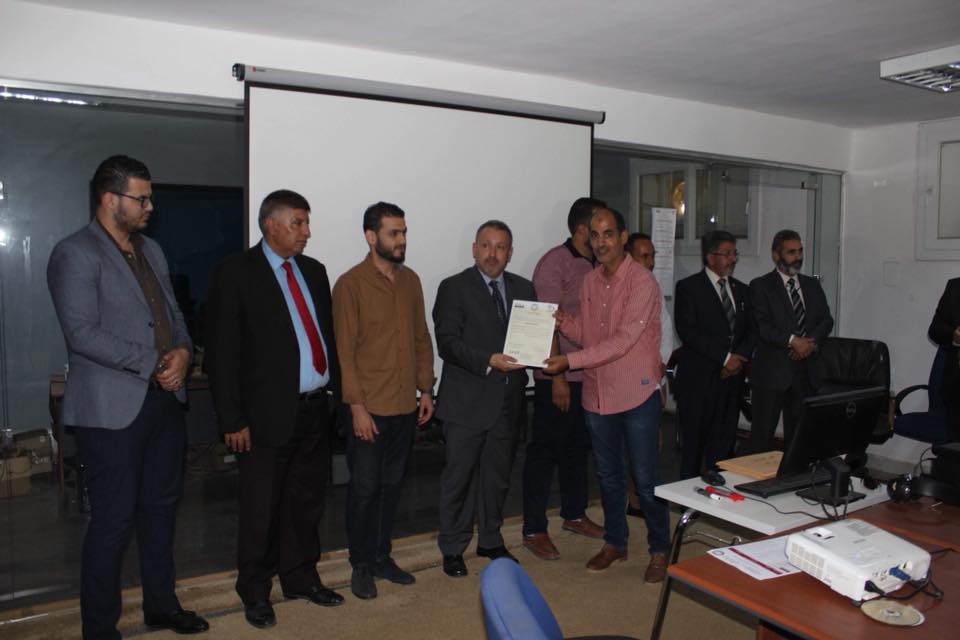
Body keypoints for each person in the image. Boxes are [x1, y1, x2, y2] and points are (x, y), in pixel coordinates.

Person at [47, 155, 209, 639]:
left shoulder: (151, 250)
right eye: (141, 198)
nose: (150, 206)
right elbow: (81, 333)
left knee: (161, 511)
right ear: (109, 199)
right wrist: (154, 362)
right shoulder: (75, 253)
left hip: (163, 403)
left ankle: (162, 606)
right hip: (111, 410)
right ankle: (99, 629)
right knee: (113, 522)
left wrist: (184, 351)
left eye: (149, 197)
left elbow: (175, 316)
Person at [206, 189, 343, 629]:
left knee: (306, 503)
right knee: (261, 510)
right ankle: (254, 590)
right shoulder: (236, 272)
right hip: (263, 416)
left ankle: (300, 577)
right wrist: (231, 418)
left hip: (313, 409)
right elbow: (222, 353)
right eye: (297, 223)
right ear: (270, 225)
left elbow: (327, 338)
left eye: (306, 223)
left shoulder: (314, 271)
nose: (306, 232)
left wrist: (337, 396)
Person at [544, 208, 671, 583]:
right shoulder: (589, 281)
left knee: (645, 479)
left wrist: (569, 361)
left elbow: (622, 341)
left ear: (623, 237)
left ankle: (660, 548)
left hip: (636, 393)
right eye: (595, 235)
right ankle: (616, 542)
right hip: (598, 394)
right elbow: (590, 335)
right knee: (608, 476)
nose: (600, 242)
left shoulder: (642, 282)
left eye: (608, 234)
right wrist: (562, 322)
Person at [332, 202, 435, 599]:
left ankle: (381, 556)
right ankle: (360, 564)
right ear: (371, 236)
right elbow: (345, 353)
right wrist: (356, 407)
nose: (401, 240)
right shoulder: (350, 285)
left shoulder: (411, 281)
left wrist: (426, 389)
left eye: (404, 232)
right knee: (365, 488)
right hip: (368, 408)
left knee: (392, 486)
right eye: (394, 233)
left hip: (404, 405)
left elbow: (421, 338)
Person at [433, 220, 536, 577]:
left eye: (501, 247)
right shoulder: (453, 287)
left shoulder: (525, 288)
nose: (493, 254)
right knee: (458, 480)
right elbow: (447, 342)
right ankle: (452, 546)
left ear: (510, 252)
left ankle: (490, 539)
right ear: (475, 249)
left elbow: (532, 339)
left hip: (508, 402)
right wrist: (488, 360)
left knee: (497, 478)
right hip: (466, 402)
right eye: (486, 246)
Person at [521, 197, 605, 561]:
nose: (603, 237)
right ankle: (533, 528)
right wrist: (556, 377)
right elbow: (546, 322)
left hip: (591, 374)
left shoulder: (599, 264)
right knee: (545, 451)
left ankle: (574, 514)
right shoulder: (554, 262)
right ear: (582, 229)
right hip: (558, 376)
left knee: (577, 449)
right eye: (598, 229)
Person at [673, 230, 755, 479]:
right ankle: (686, 494)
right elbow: (688, 331)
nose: (733, 259)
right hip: (699, 381)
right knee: (694, 448)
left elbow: (752, 329)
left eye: (734, 253)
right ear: (710, 257)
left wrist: (738, 359)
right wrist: (724, 358)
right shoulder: (689, 288)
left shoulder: (742, 290)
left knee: (723, 447)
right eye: (727, 254)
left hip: (731, 383)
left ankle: (720, 492)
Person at [749, 229, 833, 453]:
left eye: (800, 251)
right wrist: (792, 341)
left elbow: (826, 319)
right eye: (791, 252)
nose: (798, 257)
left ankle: (793, 474)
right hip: (772, 373)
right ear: (776, 255)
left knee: (799, 438)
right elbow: (762, 326)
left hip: (806, 372)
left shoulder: (811, 285)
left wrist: (809, 343)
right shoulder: (761, 286)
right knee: (762, 437)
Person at [625, 232, 675, 517]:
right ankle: (634, 500)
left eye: (653, 255)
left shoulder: (653, 286)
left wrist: (662, 363)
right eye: (644, 256)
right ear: (629, 257)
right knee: (632, 445)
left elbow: (665, 329)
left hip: (655, 375)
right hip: (630, 378)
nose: (651, 261)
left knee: (653, 442)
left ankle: (647, 499)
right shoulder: (623, 287)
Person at [928, 278, 960, 442]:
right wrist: (954, 335)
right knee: (953, 449)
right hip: (955, 389)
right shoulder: (955, 287)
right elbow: (935, 330)